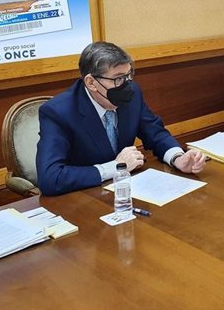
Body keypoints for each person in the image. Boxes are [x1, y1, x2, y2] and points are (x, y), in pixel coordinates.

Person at [37, 41, 206, 196]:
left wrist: (178, 158)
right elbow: (51, 178)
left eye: (128, 75)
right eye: (118, 78)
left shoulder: (133, 94)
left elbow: (156, 133)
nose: (126, 84)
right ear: (91, 83)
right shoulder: (58, 112)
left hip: (126, 193)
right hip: (84, 199)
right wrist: (116, 167)